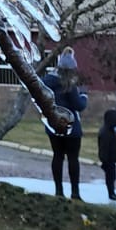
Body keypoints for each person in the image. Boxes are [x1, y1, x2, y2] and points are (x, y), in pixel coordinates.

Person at [43, 53, 87, 200]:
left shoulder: (47, 81)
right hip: (71, 126)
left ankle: (59, 191)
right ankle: (75, 192)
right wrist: (84, 95)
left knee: (57, 156)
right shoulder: (70, 85)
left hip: (53, 125)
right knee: (73, 158)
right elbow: (79, 105)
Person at [98, 108, 116, 201]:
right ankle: (111, 193)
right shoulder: (105, 133)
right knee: (110, 177)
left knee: (112, 177)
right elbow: (103, 148)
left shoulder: (112, 130)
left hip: (112, 158)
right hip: (108, 159)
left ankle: (112, 192)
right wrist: (104, 160)